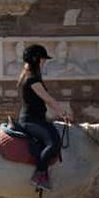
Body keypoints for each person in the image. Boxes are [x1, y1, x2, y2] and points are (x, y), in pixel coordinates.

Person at [17, 44, 74, 190]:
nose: (44, 63)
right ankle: (40, 175)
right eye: (43, 60)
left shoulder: (30, 77)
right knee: (54, 143)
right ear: (36, 60)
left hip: (36, 119)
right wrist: (63, 112)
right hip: (30, 121)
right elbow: (47, 98)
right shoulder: (32, 80)